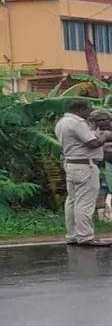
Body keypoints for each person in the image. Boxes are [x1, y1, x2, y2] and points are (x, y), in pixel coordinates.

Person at [54, 100, 112, 246]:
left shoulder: (62, 122)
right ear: (81, 109)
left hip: (72, 165)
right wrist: (105, 136)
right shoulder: (77, 123)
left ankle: (73, 235)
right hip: (85, 166)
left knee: (72, 201)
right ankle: (86, 236)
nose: (90, 113)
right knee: (84, 202)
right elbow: (92, 144)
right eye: (89, 110)